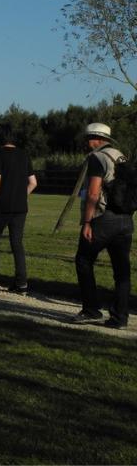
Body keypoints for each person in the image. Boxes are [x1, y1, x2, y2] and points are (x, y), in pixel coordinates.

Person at [71, 123, 132, 329]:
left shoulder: (98, 158)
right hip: (126, 219)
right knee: (121, 270)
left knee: (83, 260)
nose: (85, 143)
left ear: (93, 138)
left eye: (87, 139)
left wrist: (87, 222)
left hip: (104, 219)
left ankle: (91, 309)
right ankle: (120, 317)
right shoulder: (121, 156)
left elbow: (93, 193)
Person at [0, 123, 38, 293]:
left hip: (1, 206)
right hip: (20, 207)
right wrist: (22, 196)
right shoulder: (24, 155)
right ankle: (21, 283)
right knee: (17, 244)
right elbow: (33, 183)